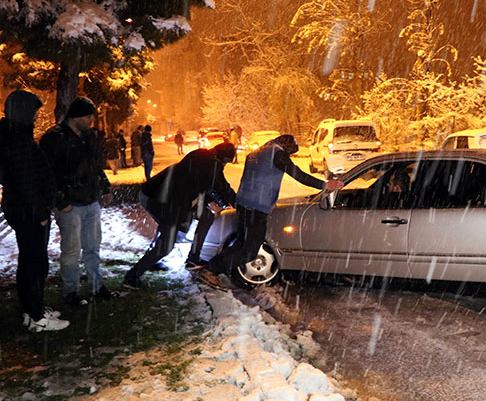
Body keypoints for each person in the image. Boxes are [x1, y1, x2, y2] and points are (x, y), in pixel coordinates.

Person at [199, 135, 343, 290]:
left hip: (244, 204)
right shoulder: (277, 153)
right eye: (290, 152)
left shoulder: (257, 153)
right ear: (287, 145)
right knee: (250, 251)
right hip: (256, 207)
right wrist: (325, 185)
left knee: (241, 244)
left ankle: (210, 270)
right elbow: (297, 174)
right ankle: (210, 270)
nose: (289, 156)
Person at [122, 142, 239, 288]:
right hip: (160, 199)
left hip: (164, 196)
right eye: (227, 162)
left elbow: (207, 186)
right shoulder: (211, 163)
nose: (225, 166)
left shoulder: (204, 157)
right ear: (224, 158)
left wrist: (222, 202)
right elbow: (221, 187)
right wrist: (238, 204)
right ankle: (132, 277)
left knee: (206, 216)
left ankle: (193, 259)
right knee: (166, 244)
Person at [0, 90, 70, 332]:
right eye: (33, 111)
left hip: (24, 210)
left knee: (30, 262)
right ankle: (36, 316)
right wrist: (40, 212)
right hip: (28, 213)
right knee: (35, 263)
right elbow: (26, 181)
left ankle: (33, 309)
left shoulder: (15, 136)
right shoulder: (16, 140)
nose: (36, 117)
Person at [39, 96, 116, 306]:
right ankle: (70, 291)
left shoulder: (87, 137)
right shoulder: (55, 138)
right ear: (76, 116)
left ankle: (95, 286)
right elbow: (46, 173)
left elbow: (95, 166)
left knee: (92, 247)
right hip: (71, 204)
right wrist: (61, 201)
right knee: (71, 250)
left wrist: (104, 185)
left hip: (90, 201)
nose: (92, 119)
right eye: (89, 115)